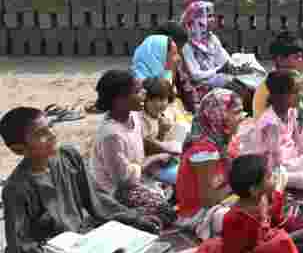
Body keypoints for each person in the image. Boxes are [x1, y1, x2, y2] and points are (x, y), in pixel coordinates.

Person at [0, 107, 160, 253]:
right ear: (19, 149)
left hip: (82, 238)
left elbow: (97, 200)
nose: (52, 135)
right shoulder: (17, 188)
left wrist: (134, 217)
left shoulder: (68, 156)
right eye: (40, 134)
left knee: (147, 240)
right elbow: (20, 246)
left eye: (50, 127)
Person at [184, 155, 303, 253]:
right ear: (254, 189)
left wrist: (277, 194)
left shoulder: (261, 198)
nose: (274, 179)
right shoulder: (234, 218)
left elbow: (274, 221)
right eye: (269, 177)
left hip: (261, 245)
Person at [91, 71, 177, 228]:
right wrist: (154, 159)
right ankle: (119, 217)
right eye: (137, 91)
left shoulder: (134, 117)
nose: (144, 93)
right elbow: (123, 180)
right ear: (120, 100)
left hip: (138, 179)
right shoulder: (111, 134)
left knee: (178, 188)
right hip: (116, 192)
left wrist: (165, 148)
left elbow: (141, 145)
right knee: (166, 213)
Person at [175, 89, 245, 239]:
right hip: (199, 215)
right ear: (218, 115)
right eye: (237, 112)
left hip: (220, 201)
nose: (242, 118)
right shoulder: (204, 150)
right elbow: (209, 199)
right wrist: (240, 187)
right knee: (246, 213)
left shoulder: (222, 141)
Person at [241, 71, 303, 191]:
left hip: (291, 159)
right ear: (279, 95)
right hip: (274, 167)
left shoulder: (291, 111)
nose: (300, 96)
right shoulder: (271, 123)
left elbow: (298, 142)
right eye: (295, 92)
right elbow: (277, 162)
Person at [179, 1, 235, 104]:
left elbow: (224, 59)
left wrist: (236, 66)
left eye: (213, 16)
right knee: (229, 83)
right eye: (208, 16)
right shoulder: (187, 45)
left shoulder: (212, 38)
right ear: (197, 20)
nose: (213, 20)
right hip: (199, 87)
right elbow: (195, 75)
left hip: (216, 79)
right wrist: (218, 70)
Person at [252, 32, 303, 118]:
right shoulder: (272, 86)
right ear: (280, 59)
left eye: (302, 57)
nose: (301, 61)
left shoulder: (293, 76)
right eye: (296, 57)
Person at [140, 76, 181, 186]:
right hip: (152, 167)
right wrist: (162, 132)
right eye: (154, 100)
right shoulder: (141, 121)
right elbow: (150, 149)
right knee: (183, 177)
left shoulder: (163, 115)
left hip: (166, 159)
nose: (160, 104)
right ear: (144, 99)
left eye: (163, 99)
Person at [155, 21, 198, 112]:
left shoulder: (177, 63)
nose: (179, 54)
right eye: (177, 49)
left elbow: (186, 90)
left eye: (180, 49)